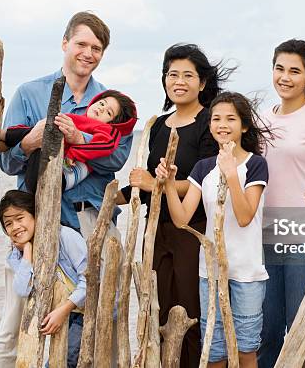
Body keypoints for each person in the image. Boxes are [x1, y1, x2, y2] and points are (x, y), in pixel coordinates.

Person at [0, 11, 130, 368]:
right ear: (65, 43)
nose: (88, 53)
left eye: (97, 48)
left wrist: (78, 139)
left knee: (100, 310)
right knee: (19, 312)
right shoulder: (30, 93)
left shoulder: (112, 104)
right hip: (38, 219)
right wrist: (29, 143)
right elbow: (7, 163)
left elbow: (117, 159)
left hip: (89, 217)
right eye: (81, 44)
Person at [116, 44, 233, 367]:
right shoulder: (157, 125)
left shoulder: (210, 121)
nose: (178, 81)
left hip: (192, 230)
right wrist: (112, 196)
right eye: (172, 74)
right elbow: (145, 181)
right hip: (157, 232)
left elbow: (208, 177)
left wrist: (158, 184)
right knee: (156, 309)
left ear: (203, 83)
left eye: (187, 75)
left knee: (191, 311)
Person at [156, 91, 273, 367]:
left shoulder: (256, 165)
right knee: (215, 348)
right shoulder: (202, 167)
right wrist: (170, 184)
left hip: (247, 271)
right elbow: (182, 219)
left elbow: (245, 216)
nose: (222, 124)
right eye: (216, 118)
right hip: (210, 271)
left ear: (244, 126)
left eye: (230, 119)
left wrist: (231, 173)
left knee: (246, 348)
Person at [257, 39, 305, 368]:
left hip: (304, 234)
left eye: (294, 71)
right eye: (279, 68)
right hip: (265, 234)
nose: (285, 77)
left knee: (300, 326)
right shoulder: (262, 118)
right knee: (266, 330)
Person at [0, 90, 137, 195]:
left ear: (112, 123)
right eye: (101, 103)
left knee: (38, 172)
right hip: (47, 148)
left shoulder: (108, 131)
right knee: (34, 131)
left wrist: (77, 146)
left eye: (108, 112)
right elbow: (38, 130)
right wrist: (32, 138)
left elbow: (108, 149)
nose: (101, 108)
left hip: (64, 173)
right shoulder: (76, 117)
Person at [0, 190, 87, 368]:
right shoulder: (17, 256)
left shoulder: (65, 237)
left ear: (34, 216)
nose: (15, 226)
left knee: (66, 360)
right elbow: (23, 290)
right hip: (59, 315)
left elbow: (90, 281)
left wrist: (63, 310)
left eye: (20, 218)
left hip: (84, 311)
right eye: (8, 223)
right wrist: (27, 253)